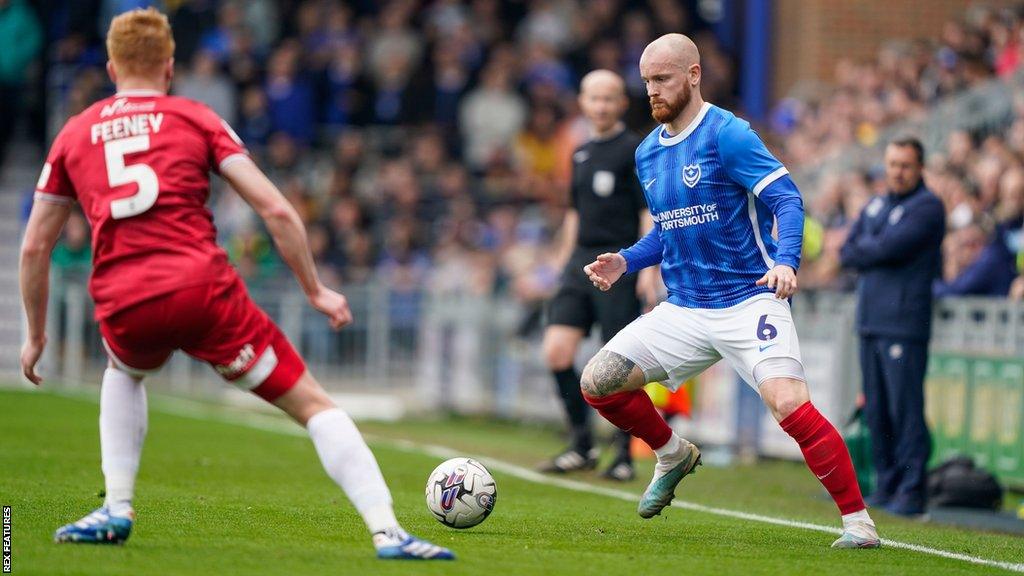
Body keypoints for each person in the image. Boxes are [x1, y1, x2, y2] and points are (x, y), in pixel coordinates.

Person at [19, 9, 452, 561]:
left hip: (125, 298)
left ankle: (117, 508)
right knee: (315, 405)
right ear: (170, 68)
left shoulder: (75, 132)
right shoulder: (195, 117)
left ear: (110, 67)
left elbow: (35, 246)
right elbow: (274, 207)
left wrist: (36, 334)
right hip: (202, 290)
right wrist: (315, 290)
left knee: (123, 370)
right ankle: (389, 532)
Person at [581, 33, 879, 548]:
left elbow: (786, 199)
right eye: (646, 81)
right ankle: (672, 452)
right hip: (685, 308)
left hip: (748, 298)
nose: (650, 91)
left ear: (693, 75)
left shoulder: (728, 134)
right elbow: (670, 229)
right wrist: (628, 260)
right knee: (598, 381)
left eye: (662, 79)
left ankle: (859, 524)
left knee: (789, 405)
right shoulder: (648, 152)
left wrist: (786, 262)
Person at [539, 69, 657, 481]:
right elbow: (575, 212)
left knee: (616, 364)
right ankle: (581, 444)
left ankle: (624, 454)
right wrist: (560, 261)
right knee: (556, 351)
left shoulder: (635, 151)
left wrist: (646, 268)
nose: (602, 106)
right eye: (594, 98)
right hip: (579, 263)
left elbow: (648, 213)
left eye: (609, 99)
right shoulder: (580, 152)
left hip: (618, 262)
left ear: (622, 103)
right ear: (583, 103)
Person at [840, 138, 945, 517]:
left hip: (904, 323)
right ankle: (886, 484)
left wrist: (872, 247)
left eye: (905, 165)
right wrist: (873, 248)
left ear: (920, 169)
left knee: (905, 410)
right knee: (878, 411)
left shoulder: (929, 208)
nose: (897, 172)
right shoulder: (877, 202)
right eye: (892, 164)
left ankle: (912, 490)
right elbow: (847, 252)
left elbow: (885, 249)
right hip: (870, 321)